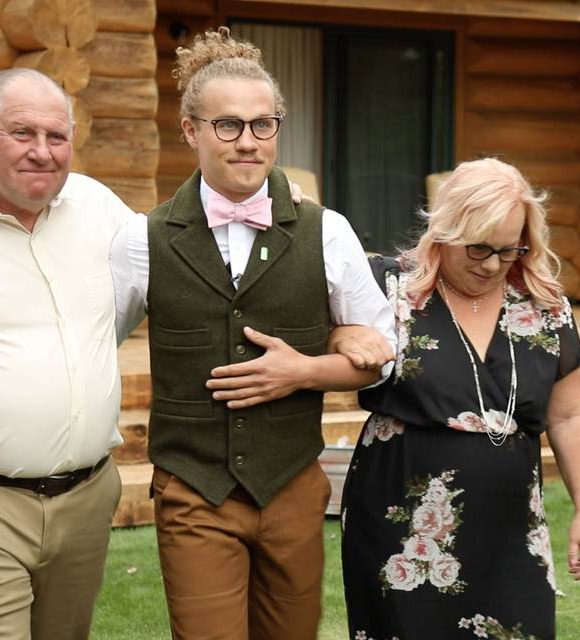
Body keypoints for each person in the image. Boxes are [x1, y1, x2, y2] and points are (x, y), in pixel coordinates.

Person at [110, 27, 395, 640]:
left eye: (263, 125)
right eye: (228, 126)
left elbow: (382, 356)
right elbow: (90, 343)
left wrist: (313, 365)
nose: (248, 142)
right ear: (191, 130)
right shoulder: (144, 240)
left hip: (292, 485)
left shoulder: (329, 232)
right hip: (195, 491)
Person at [340, 158, 580, 640]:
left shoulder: (544, 306)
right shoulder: (388, 288)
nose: (491, 265)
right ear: (445, 230)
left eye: (509, 250)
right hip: (403, 529)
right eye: (478, 248)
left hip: (511, 528)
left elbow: (569, 414)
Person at [0, 69, 133, 639]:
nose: (43, 153)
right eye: (22, 133)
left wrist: (266, 196)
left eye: (58, 137)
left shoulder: (97, 206)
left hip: (88, 499)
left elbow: (180, 254)